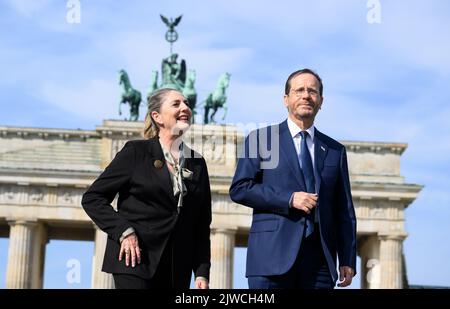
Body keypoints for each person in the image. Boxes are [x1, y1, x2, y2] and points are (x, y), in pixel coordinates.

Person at [229, 69, 357, 289]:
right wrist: (289, 198)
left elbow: (344, 210)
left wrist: (347, 257)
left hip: (319, 263)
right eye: (299, 90)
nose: (306, 95)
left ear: (321, 101)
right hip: (270, 258)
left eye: (312, 91)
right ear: (286, 99)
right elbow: (240, 188)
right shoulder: (261, 139)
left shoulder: (335, 150)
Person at [82, 88, 211, 289]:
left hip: (177, 268)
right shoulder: (136, 152)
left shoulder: (197, 162)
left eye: (186, 103)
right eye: (176, 104)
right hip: (135, 260)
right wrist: (123, 231)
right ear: (157, 117)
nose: (185, 108)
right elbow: (93, 198)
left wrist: (202, 272)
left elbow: (201, 225)